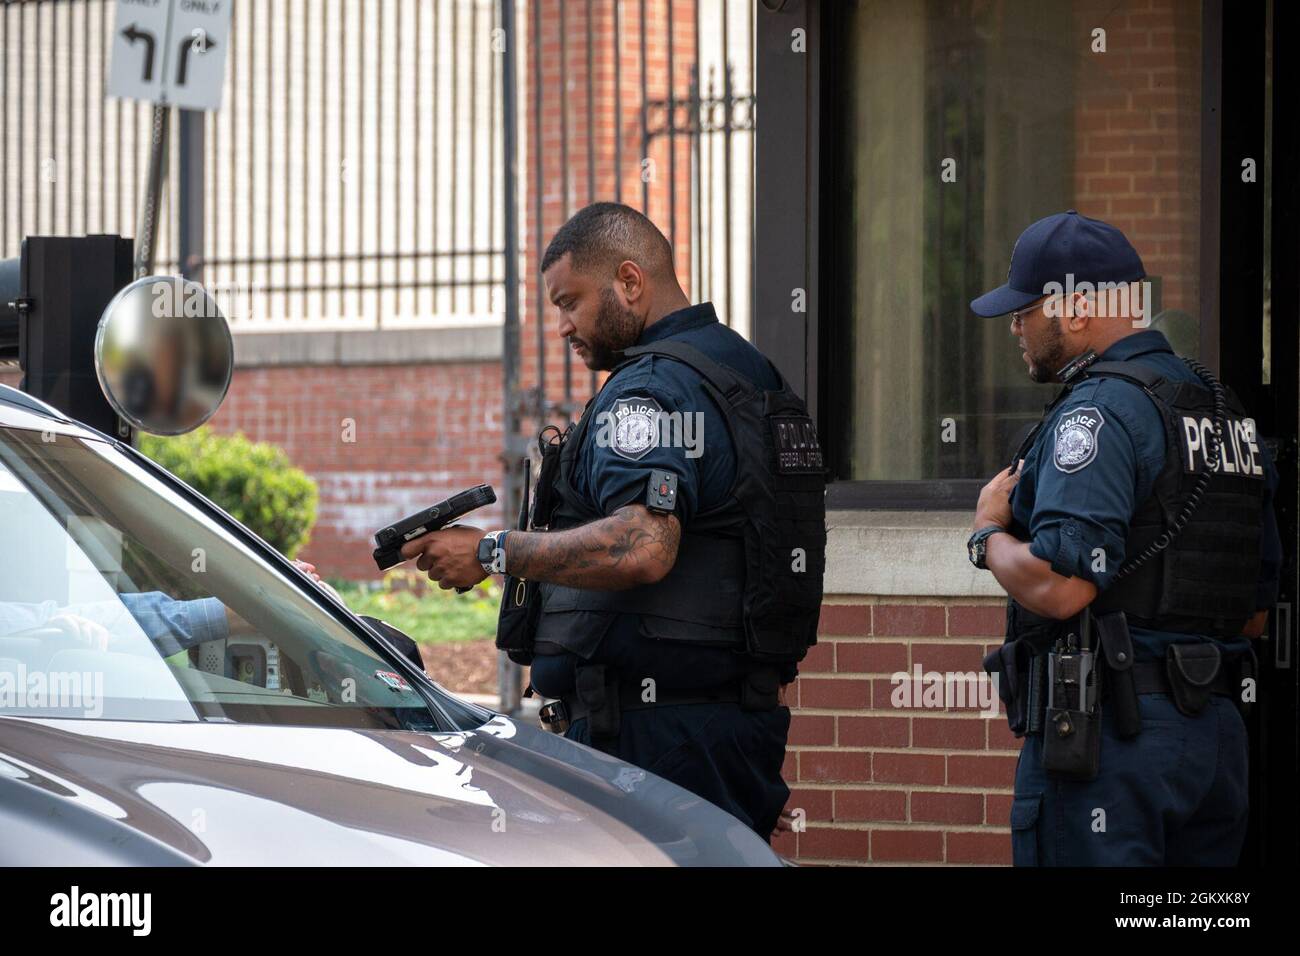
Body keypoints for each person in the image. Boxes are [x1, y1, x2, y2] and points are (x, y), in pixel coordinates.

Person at [400, 202, 826, 840]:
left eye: (570, 302)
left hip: (650, 739)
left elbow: (643, 544)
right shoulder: (744, 371)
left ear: (630, 282)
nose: (563, 327)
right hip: (726, 727)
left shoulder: (647, 390)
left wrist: (492, 552)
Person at [967, 210, 1281, 866]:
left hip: (1113, 741)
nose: (1016, 329)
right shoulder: (1223, 413)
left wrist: (987, 534)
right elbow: (1253, 614)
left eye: (1025, 311)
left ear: (1076, 307)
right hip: (1215, 747)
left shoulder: (1099, 413)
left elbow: (1060, 586)